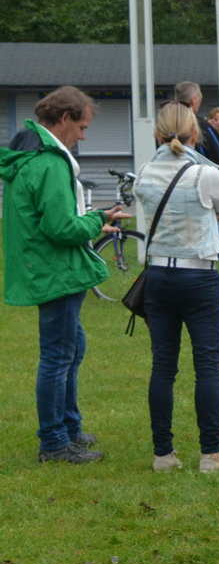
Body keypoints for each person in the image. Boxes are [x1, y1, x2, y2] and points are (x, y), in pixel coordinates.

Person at [1, 86, 129, 464]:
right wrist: (97, 218)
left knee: (72, 350)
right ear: (65, 119)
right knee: (58, 357)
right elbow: (62, 228)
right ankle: (54, 443)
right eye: (83, 127)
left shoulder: (30, 155)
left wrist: (93, 221)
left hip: (47, 266)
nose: (84, 136)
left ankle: (69, 428)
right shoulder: (49, 161)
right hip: (55, 269)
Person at [136, 101, 219, 472]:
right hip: (200, 275)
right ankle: (210, 454)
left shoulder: (145, 173)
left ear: (156, 134)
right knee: (207, 367)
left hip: (160, 276)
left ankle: (162, 453)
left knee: (163, 367)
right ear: (196, 134)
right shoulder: (205, 173)